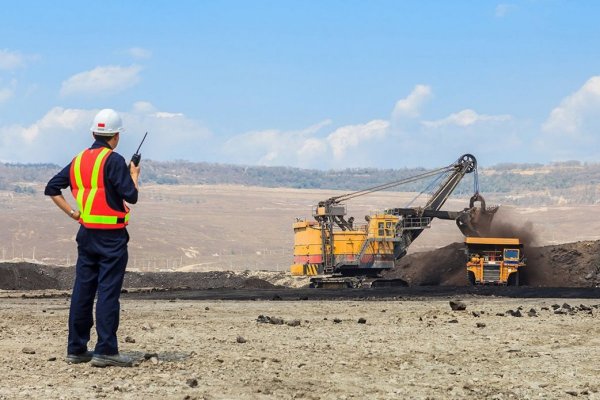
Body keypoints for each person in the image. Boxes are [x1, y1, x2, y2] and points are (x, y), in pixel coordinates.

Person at [44, 109, 140, 367]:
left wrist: (75, 214)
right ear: (116, 136)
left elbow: (52, 188)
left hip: (86, 235)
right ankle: (106, 350)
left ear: (93, 132)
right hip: (112, 238)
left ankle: (76, 348)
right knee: (108, 292)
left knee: (83, 291)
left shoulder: (78, 161)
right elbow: (131, 196)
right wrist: (134, 176)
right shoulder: (114, 160)